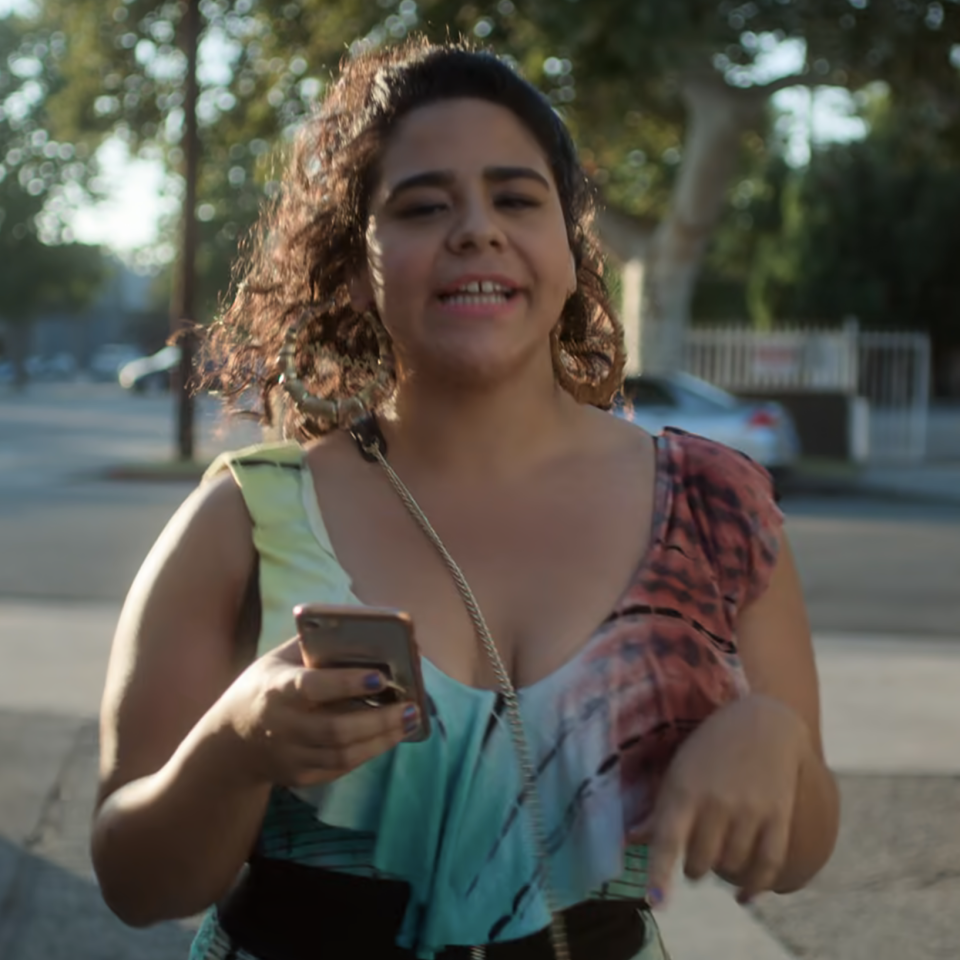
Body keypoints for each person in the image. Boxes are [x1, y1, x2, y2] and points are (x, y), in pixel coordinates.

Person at [91, 37, 840, 960]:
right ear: (358, 271)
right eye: (422, 205)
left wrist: (774, 739)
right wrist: (234, 746)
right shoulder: (240, 519)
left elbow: (799, 858)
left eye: (517, 198)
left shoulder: (717, 510)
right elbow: (131, 880)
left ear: (569, 251)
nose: (476, 228)